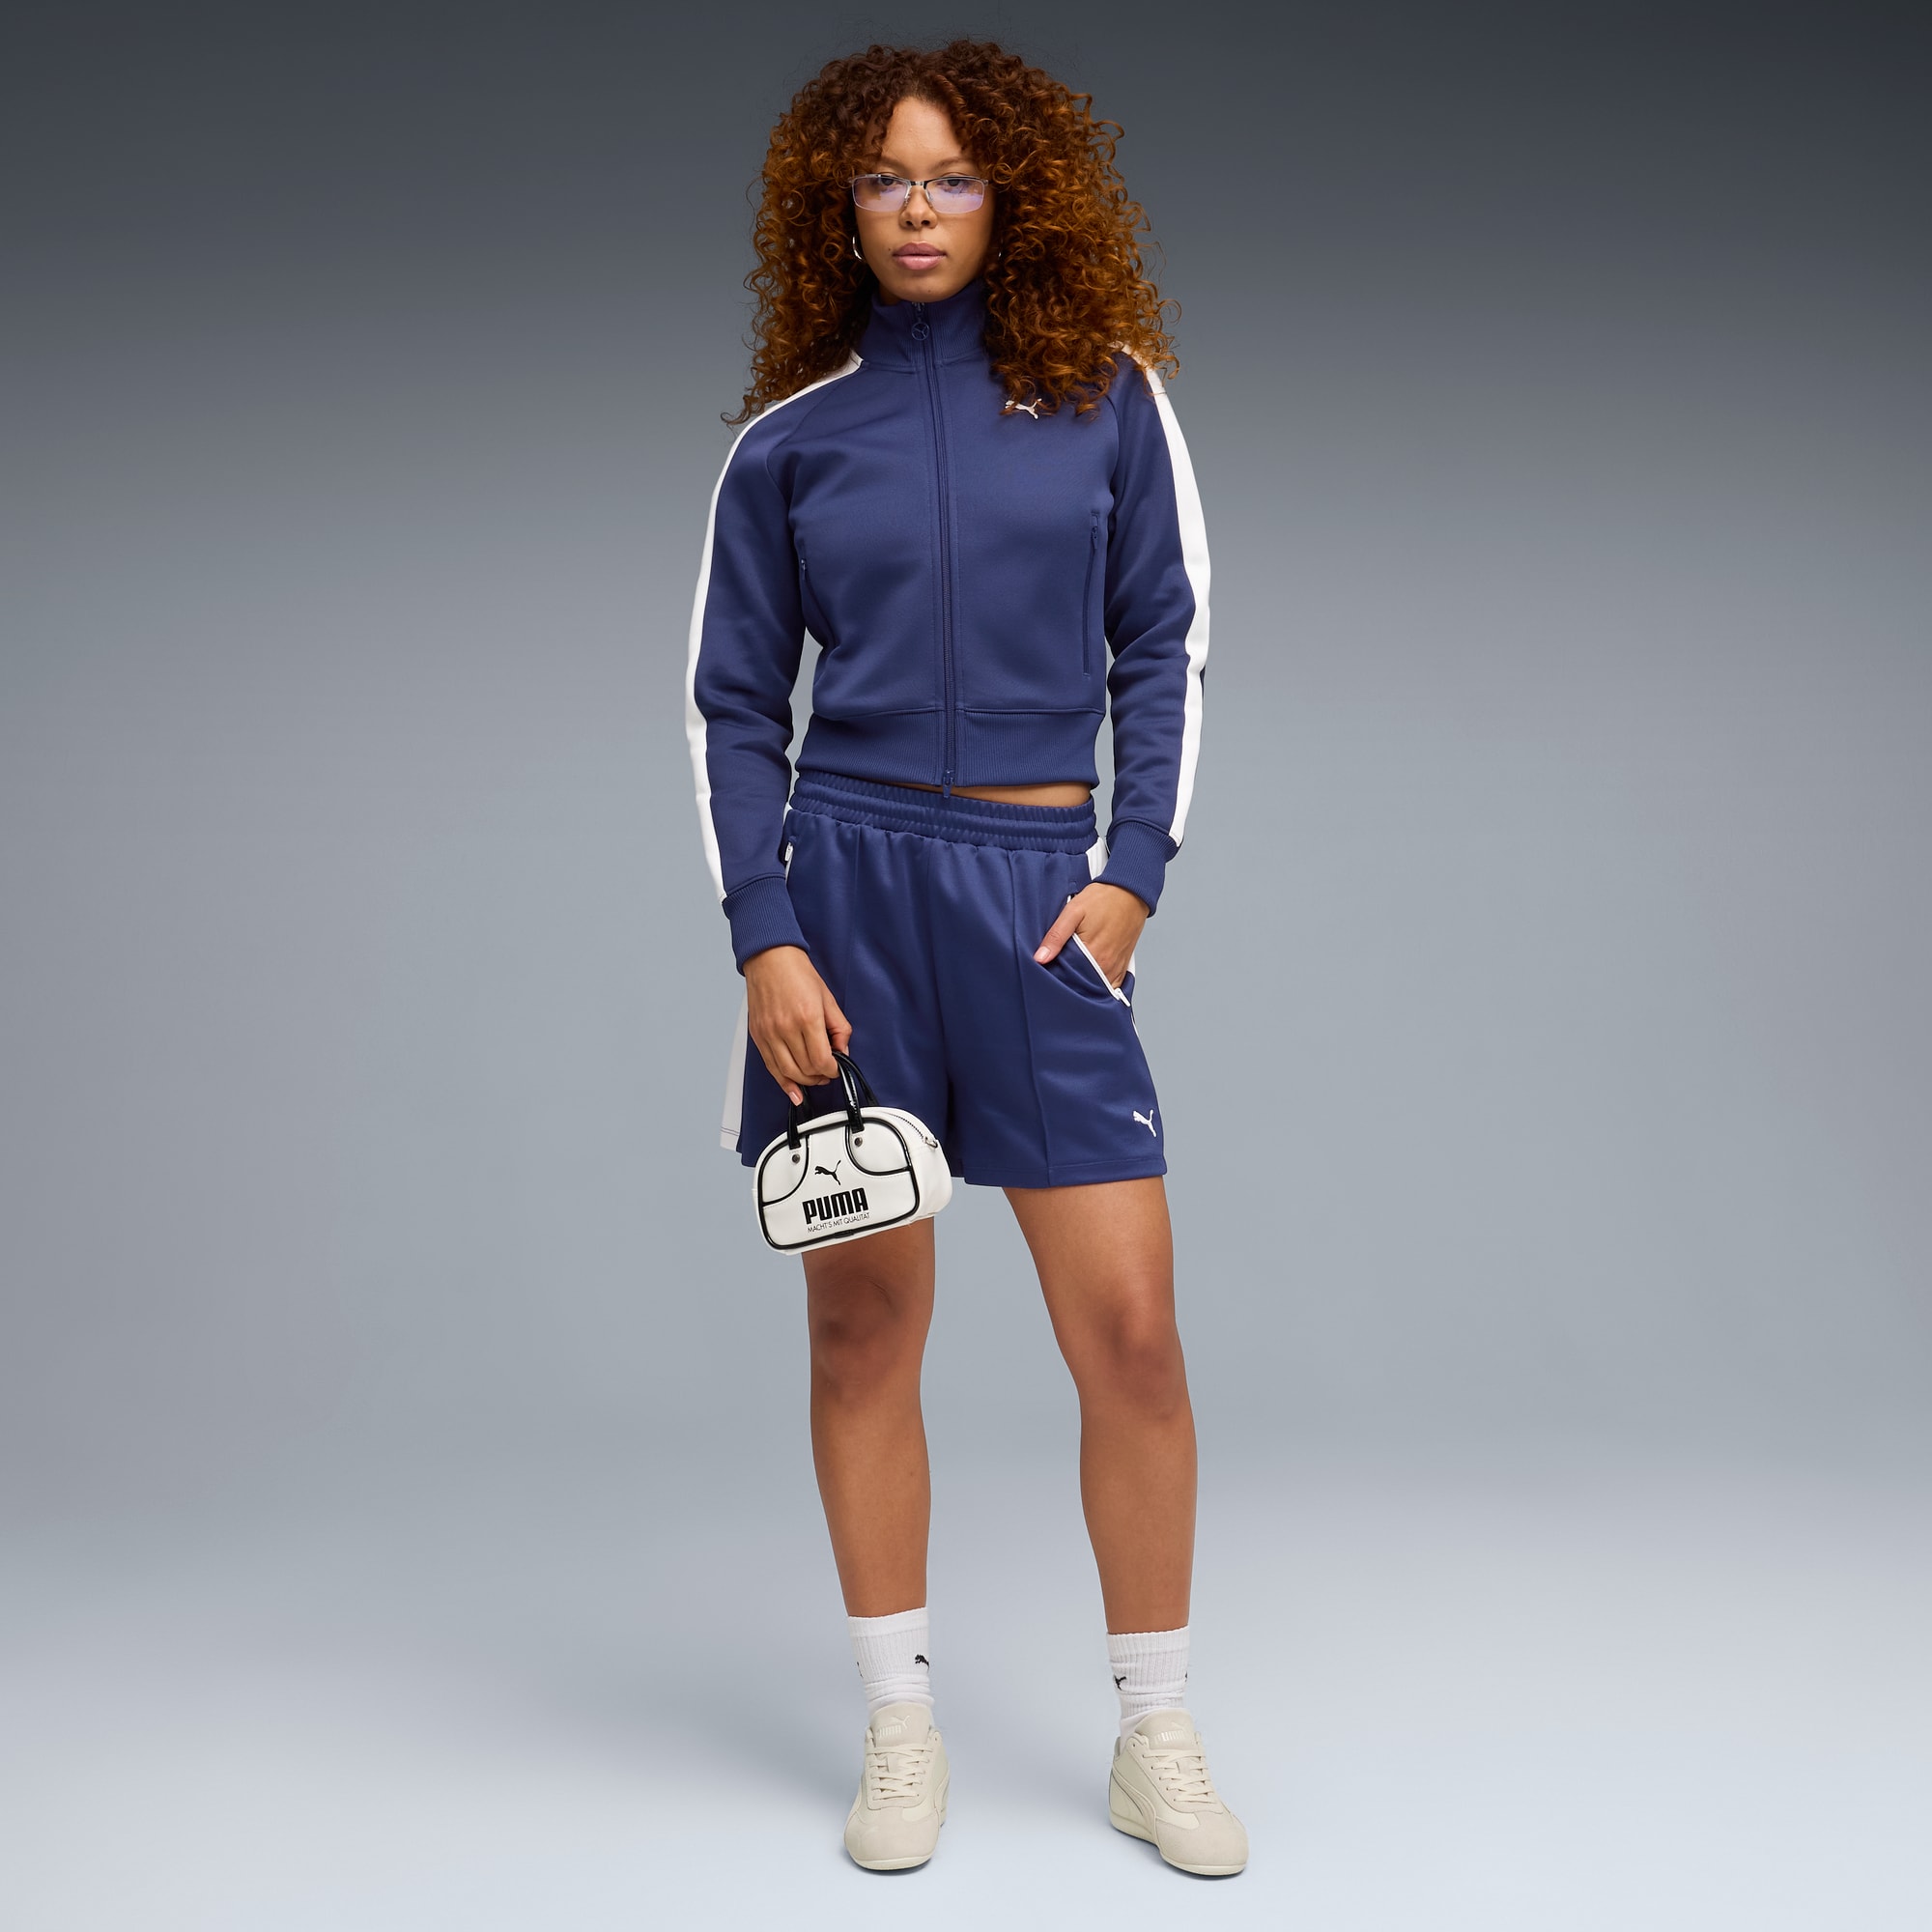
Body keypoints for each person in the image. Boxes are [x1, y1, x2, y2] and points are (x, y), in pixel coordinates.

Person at [685, 40, 1245, 1877]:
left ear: (1015, 195)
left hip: (1036, 901)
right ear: (833, 210)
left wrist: (1133, 875)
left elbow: (1166, 645)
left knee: (1134, 1336)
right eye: (882, 181)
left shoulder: (1108, 401)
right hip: (844, 908)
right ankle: (899, 1724)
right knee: (864, 1328)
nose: (916, 212)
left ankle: (1154, 1734)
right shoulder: (789, 441)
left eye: (951, 178)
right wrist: (765, 936)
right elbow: (730, 704)